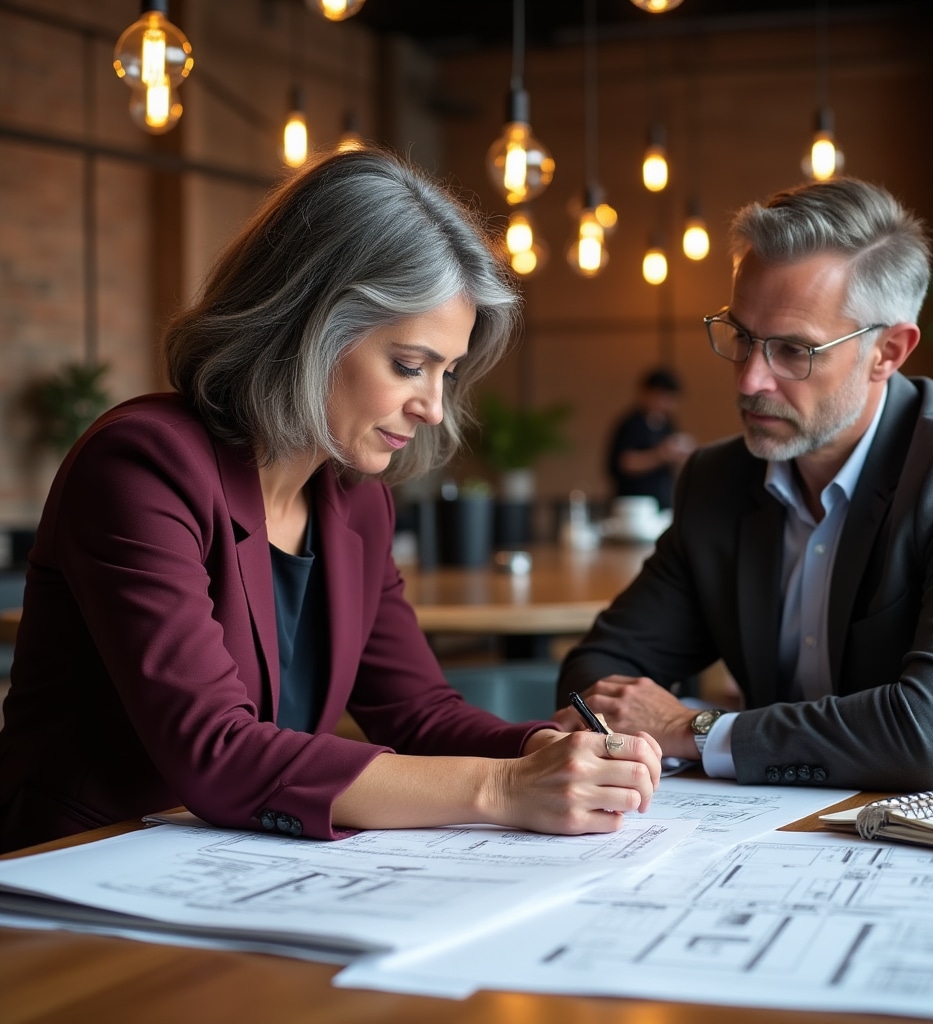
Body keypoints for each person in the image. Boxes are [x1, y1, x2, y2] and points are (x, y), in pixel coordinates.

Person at [0, 146, 661, 852]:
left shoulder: (354, 502)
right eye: (409, 365)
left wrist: (542, 745)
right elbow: (214, 751)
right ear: (309, 329)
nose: (434, 408)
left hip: (234, 869)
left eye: (447, 373)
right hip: (77, 870)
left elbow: (417, 713)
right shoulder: (142, 463)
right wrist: (503, 789)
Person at [556, 177, 933, 792]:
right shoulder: (718, 480)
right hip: (776, 841)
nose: (750, 380)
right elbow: (599, 674)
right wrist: (656, 731)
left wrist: (697, 729)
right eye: (742, 337)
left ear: (887, 351)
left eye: (793, 351)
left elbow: (932, 739)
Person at [607, 368, 696, 511]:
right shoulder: (631, 424)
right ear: (647, 393)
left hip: (663, 501)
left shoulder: (668, 425)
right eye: (662, 396)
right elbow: (624, 462)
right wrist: (661, 454)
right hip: (634, 505)